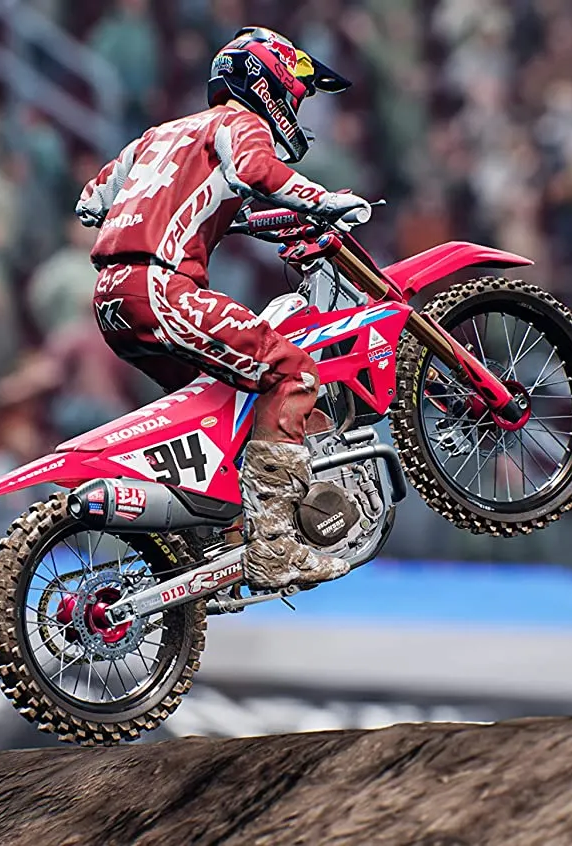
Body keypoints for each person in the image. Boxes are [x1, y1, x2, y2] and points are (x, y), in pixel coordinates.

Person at [74, 26, 372, 591]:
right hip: (164, 288)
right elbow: (256, 170)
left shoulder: (156, 136)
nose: (297, 109)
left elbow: (92, 201)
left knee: (221, 403)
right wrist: (325, 199)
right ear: (269, 81)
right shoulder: (239, 124)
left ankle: (218, 530)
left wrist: (215, 213)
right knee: (295, 372)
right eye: (297, 94)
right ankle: (275, 549)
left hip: (112, 296)